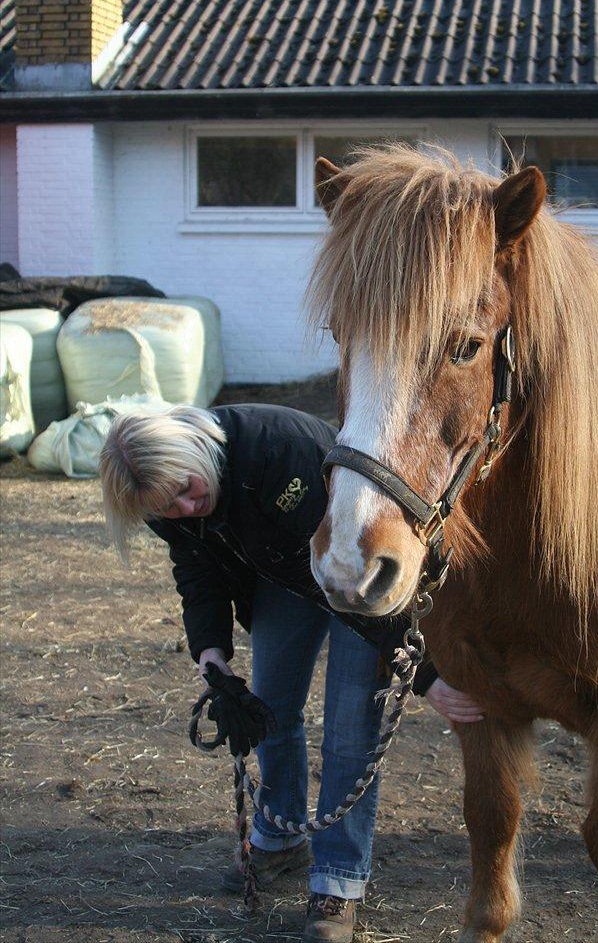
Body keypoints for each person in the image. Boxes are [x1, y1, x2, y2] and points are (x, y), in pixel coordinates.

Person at [100, 403, 483, 942]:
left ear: (193, 452)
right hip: (284, 576)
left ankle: (338, 880)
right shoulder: (166, 498)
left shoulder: (274, 448)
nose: (188, 507)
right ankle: (280, 838)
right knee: (270, 707)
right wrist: (211, 657)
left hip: (354, 570)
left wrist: (425, 678)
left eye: (188, 489)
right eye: (170, 508)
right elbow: (197, 570)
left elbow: (352, 569)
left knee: (350, 726)